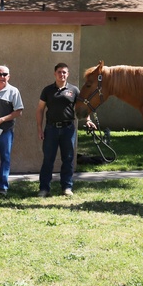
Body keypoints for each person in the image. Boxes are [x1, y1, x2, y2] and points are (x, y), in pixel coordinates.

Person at [36, 63, 84, 197]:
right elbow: (40, 109)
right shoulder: (47, 90)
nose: (61, 74)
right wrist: (40, 128)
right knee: (48, 159)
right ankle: (44, 189)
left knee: (68, 159)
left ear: (68, 74)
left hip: (68, 129)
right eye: (59, 72)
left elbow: (81, 107)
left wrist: (88, 120)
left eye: (64, 72)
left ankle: (67, 187)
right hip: (51, 129)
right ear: (54, 73)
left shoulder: (74, 90)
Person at [0, 65, 25, 196]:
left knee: (5, 159)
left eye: (5, 74)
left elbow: (19, 111)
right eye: (0, 74)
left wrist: (0, 120)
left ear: (9, 76)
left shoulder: (13, 91)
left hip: (5, 131)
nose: (2, 77)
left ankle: (3, 187)